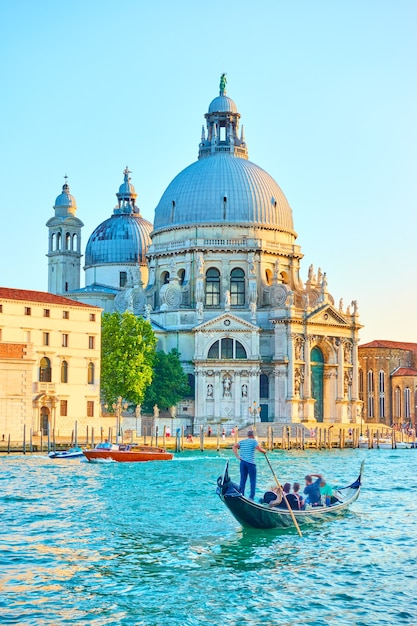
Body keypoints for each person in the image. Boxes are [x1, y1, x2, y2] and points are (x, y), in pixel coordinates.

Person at [233, 429, 266, 500]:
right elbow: (260, 449)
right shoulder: (254, 441)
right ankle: (251, 497)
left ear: (248, 435)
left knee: (242, 480)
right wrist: (264, 451)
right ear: (253, 435)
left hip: (243, 463)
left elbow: (234, 447)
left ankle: (241, 494)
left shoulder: (242, 442)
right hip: (251, 464)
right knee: (252, 480)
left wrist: (238, 456)